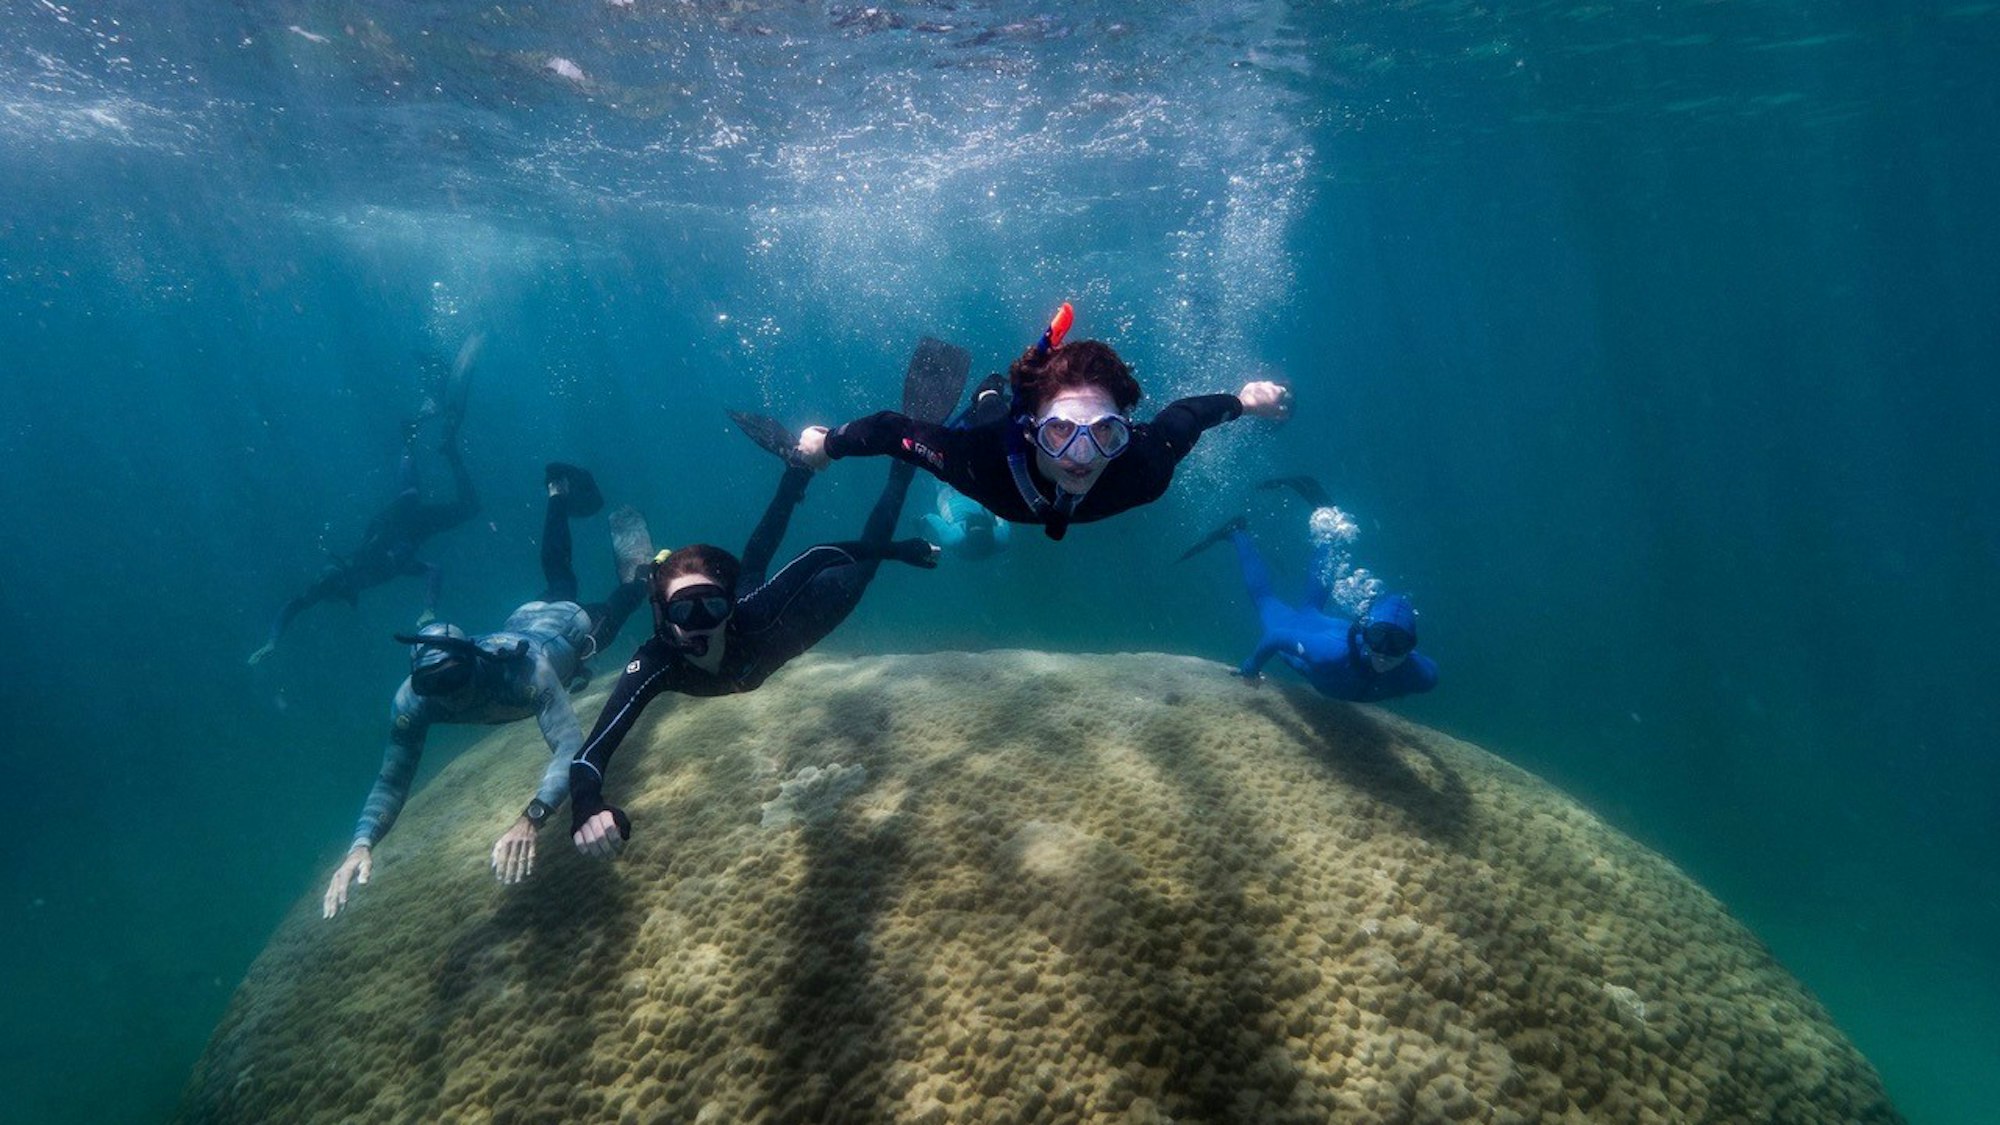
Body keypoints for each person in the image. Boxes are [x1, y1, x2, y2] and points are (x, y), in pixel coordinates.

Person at [567, 339, 966, 858]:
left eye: (711, 605)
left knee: (835, 572)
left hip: (792, 622)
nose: (700, 625)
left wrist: (897, 550)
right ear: (662, 619)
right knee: (751, 567)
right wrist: (585, 806)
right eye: (683, 612)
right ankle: (797, 469)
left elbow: (823, 555)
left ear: (726, 605)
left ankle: (892, 466)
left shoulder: (746, 611)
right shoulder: (657, 664)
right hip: (761, 625)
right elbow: (591, 754)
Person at [321, 464, 655, 918]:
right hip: (528, 620)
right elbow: (392, 779)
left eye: (455, 680)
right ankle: (556, 495)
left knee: (617, 595)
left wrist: (531, 819)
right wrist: (361, 844)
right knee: (558, 579)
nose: (449, 696)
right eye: (434, 685)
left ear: (475, 663)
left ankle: (642, 575)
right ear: (417, 679)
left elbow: (569, 745)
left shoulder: (523, 674)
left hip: (570, 631)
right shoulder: (413, 700)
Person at [786, 304, 1293, 541]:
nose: (1081, 456)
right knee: (987, 414)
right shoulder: (976, 460)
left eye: (1105, 433)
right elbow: (888, 430)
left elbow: (1187, 418)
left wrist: (1244, 402)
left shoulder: (1145, 467)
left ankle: (997, 396)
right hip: (998, 445)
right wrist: (827, 443)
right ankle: (990, 391)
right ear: (1034, 429)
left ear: (1125, 431)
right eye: (1059, 431)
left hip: (1014, 467)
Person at [250, 342, 484, 665]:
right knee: (441, 500)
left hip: (406, 519)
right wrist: (272, 641)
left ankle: (422, 437)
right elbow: (296, 604)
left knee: (427, 499)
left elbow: (429, 567)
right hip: (406, 521)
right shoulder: (349, 577)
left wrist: (429, 605)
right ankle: (432, 440)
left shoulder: (367, 568)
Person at [1180, 502, 1438, 703]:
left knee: (1312, 606)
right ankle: (1236, 532)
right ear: (1366, 633)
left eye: (1398, 643)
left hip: (1327, 627)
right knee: (1265, 600)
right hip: (1306, 628)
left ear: (1411, 647)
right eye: (1379, 637)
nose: (1384, 652)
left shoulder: (1422, 675)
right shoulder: (1329, 652)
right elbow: (1277, 637)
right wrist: (1250, 667)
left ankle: (1329, 535)